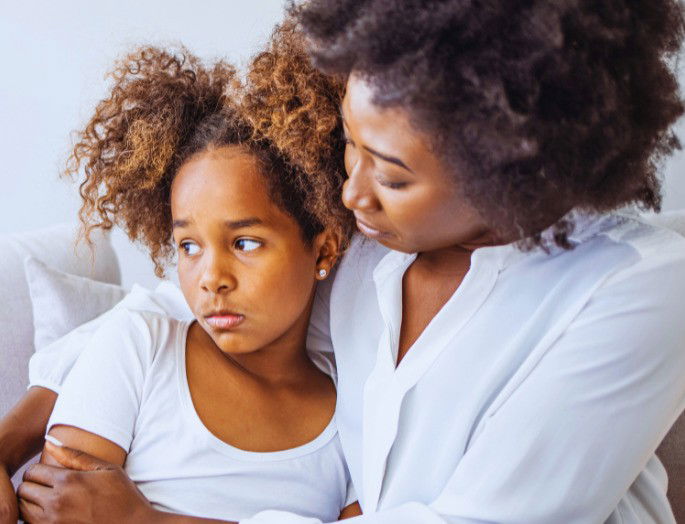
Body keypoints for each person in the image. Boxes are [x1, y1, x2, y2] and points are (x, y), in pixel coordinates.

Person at [5, 1, 685, 522]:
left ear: (508, 164)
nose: (351, 189)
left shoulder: (634, 285)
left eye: (390, 174)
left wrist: (151, 520)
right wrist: (11, 440)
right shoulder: (370, 245)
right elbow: (181, 300)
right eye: (352, 146)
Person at [7, 41, 362, 522]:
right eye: (188, 247)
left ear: (323, 249)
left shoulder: (354, 416)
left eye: (245, 243)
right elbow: (58, 509)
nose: (210, 278)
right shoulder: (141, 346)